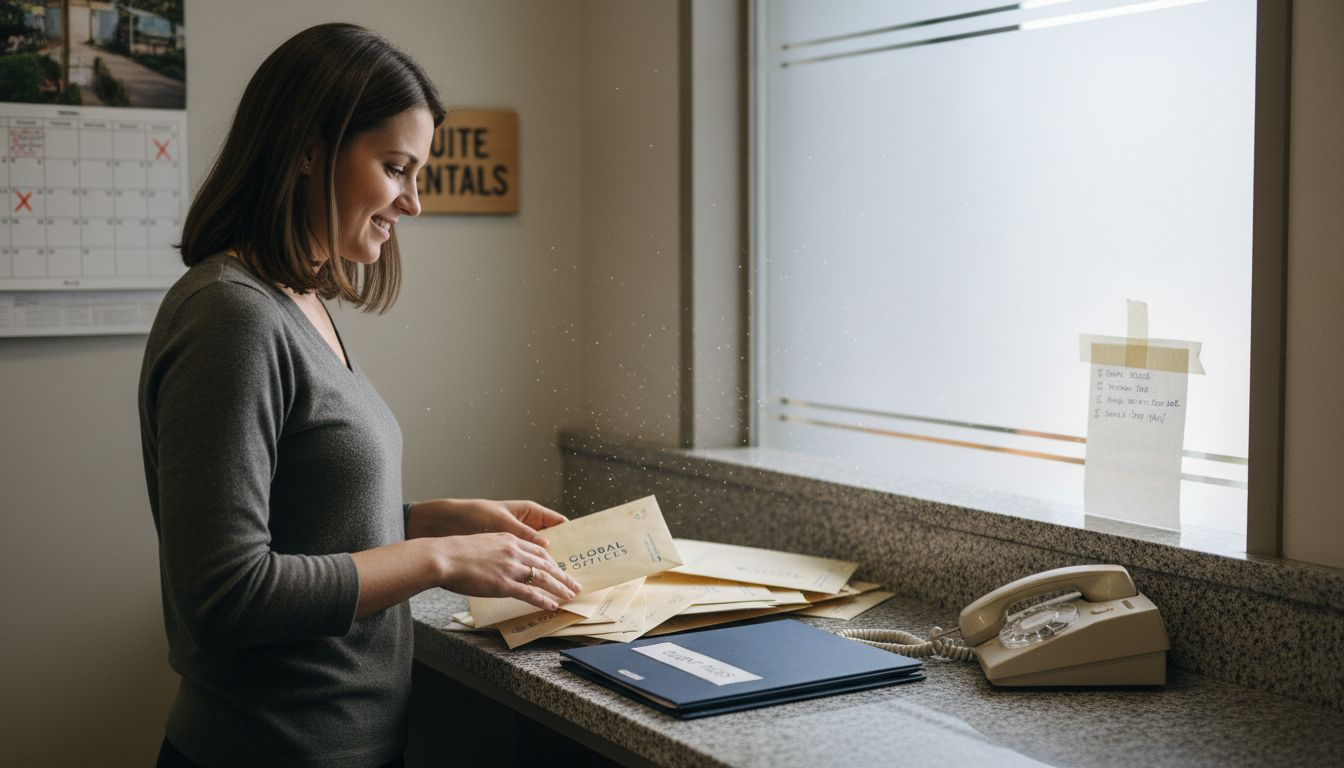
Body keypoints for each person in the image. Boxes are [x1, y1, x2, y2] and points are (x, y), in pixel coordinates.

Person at [137, 23, 581, 768]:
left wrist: (432, 518)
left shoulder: (298, 301)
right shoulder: (232, 317)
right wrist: (436, 557)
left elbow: (301, 525)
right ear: (309, 149)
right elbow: (224, 595)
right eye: (395, 167)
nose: (412, 203)